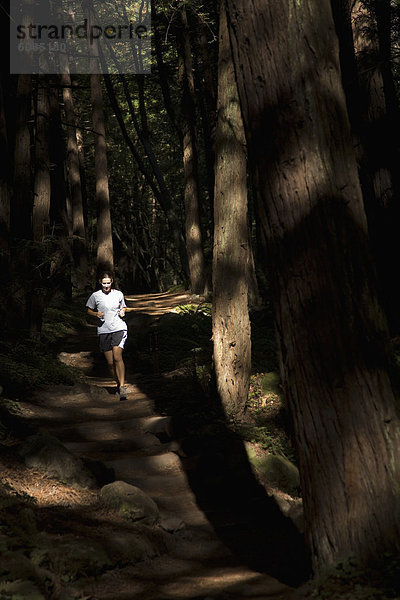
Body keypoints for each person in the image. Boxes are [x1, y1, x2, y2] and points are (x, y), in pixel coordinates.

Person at [86, 272, 132, 399]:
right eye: (104, 283)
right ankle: (117, 383)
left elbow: (124, 307)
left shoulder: (118, 294)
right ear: (100, 282)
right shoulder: (95, 296)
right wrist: (96, 314)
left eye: (108, 283)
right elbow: (89, 310)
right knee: (110, 363)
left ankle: (122, 387)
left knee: (118, 357)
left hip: (118, 328)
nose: (106, 285)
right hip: (103, 330)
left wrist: (123, 311)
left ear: (112, 282)